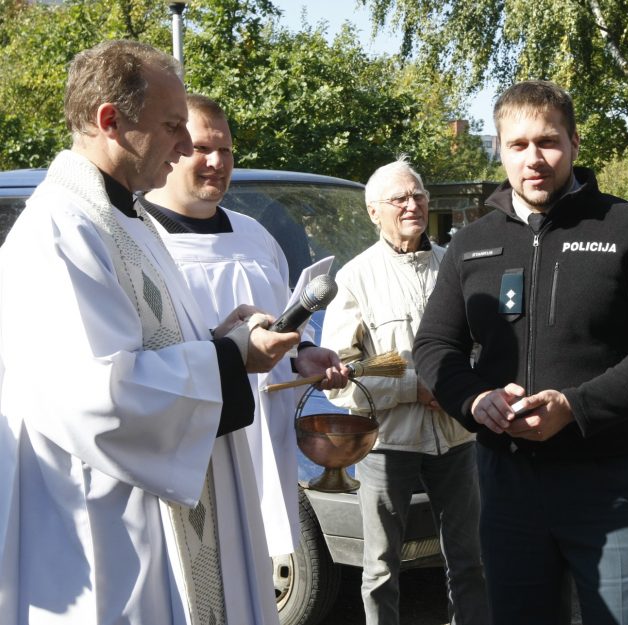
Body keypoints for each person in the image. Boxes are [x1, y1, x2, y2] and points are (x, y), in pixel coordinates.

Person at [0, 40, 305, 625]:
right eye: (172, 127)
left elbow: (150, 346)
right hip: (104, 531)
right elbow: (99, 396)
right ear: (109, 122)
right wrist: (230, 359)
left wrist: (219, 338)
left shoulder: (127, 220)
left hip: (152, 509)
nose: (186, 146)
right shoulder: (59, 233)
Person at [412, 80, 628, 625]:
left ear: (573, 142)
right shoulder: (471, 243)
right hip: (506, 483)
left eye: (547, 141)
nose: (533, 158)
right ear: (499, 149)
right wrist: (474, 402)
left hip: (611, 480)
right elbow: (434, 344)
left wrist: (575, 407)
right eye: (517, 145)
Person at [140, 94, 348, 558]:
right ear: (173, 147)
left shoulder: (254, 235)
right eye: (201, 149)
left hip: (263, 444)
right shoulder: (139, 239)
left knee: (254, 572)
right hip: (190, 445)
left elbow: (287, 320)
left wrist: (301, 357)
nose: (217, 162)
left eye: (226, 150)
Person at [319, 158, 489, 625]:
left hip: (457, 438)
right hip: (389, 444)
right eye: (399, 198)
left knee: (469, 559)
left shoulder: (455, 265)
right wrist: (416, 388)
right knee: (380, 567)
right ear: (374, 212)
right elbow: (340, 376)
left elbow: (482, 346)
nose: (412, 204)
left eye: (418, 195)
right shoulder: (355, 277)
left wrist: (463, 385)